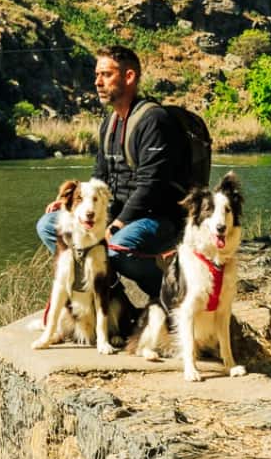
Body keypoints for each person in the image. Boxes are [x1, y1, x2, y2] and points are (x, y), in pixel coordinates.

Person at [36, 45, 187, 300]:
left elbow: (152, 185)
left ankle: (171, 292)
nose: (98, 82)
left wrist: (118, 224)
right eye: (97, 75)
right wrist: (74, 203)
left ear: (129, 77)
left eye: (106, 74)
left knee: (116, 246)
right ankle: (111, 298)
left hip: (157, 218)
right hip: (117, 213)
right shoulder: (110, 123)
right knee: (50, 226)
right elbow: (100, 176)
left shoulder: (154, 120)